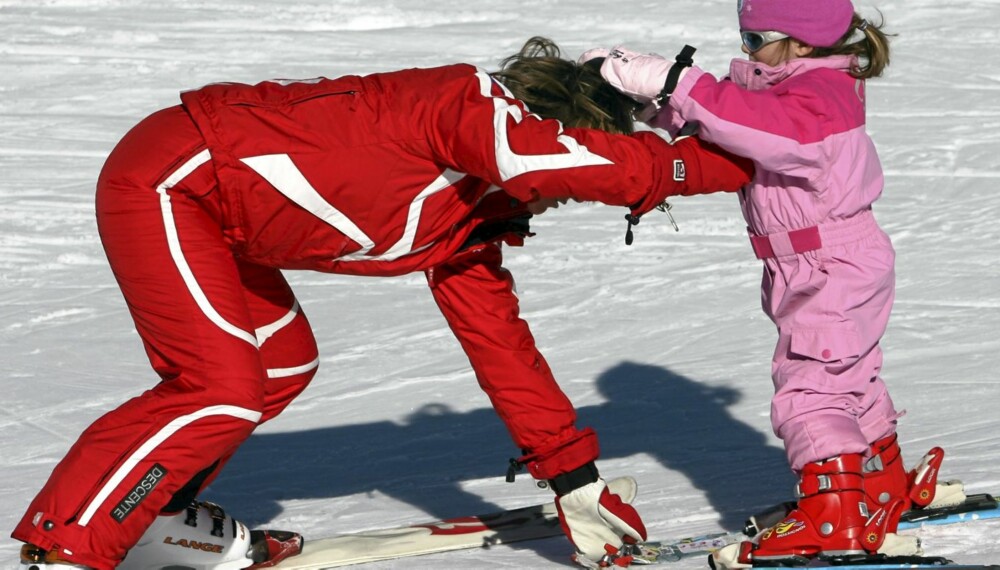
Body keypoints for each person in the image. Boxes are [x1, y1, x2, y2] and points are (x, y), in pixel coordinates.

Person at [13, 37, 753, 569]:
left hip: (219, 216)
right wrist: (724, 161)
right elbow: (544, 158)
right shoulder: (467, 106)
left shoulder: (473, 211)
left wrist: (574, 481)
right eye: (568, 178)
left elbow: (501, 346)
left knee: (277, 366)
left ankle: (157, 522)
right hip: (173, 178)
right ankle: (71, 541)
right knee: (218, 387)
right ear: (557, 130)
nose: (558, 197)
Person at [580, 1, 967, 566]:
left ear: (803, 42)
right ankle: (879, 486)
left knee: (812, 386)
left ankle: (833, 519)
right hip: (823, 261)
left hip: (827, 262)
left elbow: (756, 127)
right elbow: (733, 129)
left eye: (756, 36)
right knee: (848, 375)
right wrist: (652, 103)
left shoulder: (818, 98)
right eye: (742, 35)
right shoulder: (796, 90)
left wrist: (675, 80)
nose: (745, 49)